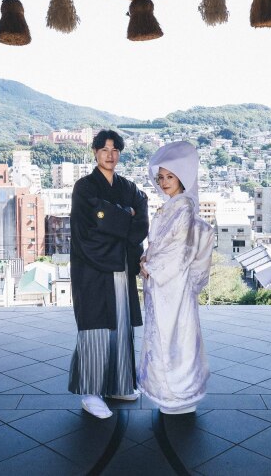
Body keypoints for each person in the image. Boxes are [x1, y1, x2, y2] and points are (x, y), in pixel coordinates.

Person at [68, 129, 149, 419]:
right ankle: (91, 393)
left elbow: (141, 218)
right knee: (96, 330)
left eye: (115, 150)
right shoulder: (84, 187)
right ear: (94, 151)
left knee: (122, 326)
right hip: (93, 269)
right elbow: (87, 232)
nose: (110, 155)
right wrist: (123, 219)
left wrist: (115, 218)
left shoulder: (128, 187)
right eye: (104, 149)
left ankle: (120, 385)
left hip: (120, 268)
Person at [137, 141, 214, 414]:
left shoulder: (183, 208)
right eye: (161, 177)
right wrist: (147, 258)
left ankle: (179, 394)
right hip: (164, 285)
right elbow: (159, 246)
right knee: (167, 336)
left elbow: (179, 250)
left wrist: (151, 267)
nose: (164, 182)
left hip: (174, 284)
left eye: (170, 177)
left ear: (181, 178)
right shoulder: (170, 207)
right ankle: (169, 393)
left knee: (176, 337)